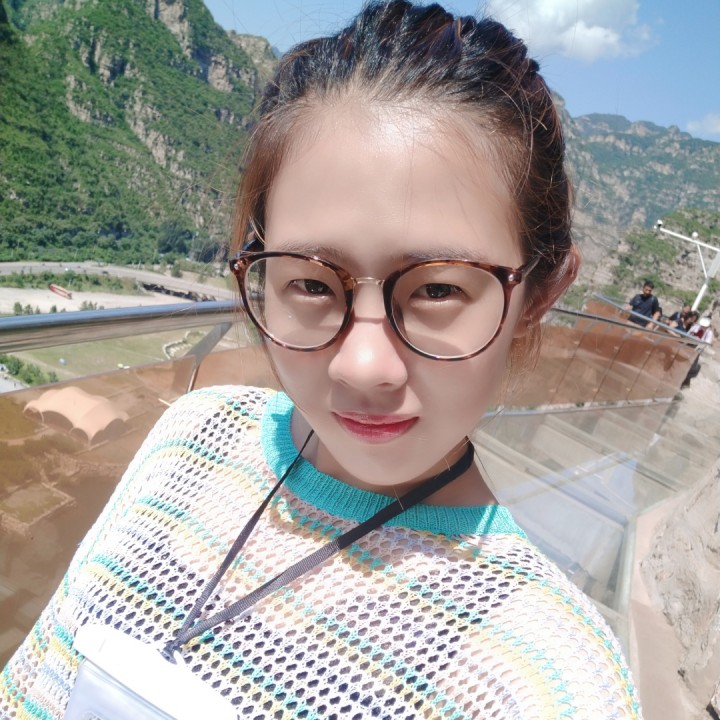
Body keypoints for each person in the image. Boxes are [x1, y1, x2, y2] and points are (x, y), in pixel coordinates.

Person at [0, 2, 642, 718]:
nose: (362, 366)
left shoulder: (546, 684)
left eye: (437, 289)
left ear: (540, 293)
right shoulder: (192, 436)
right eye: (310, 282)